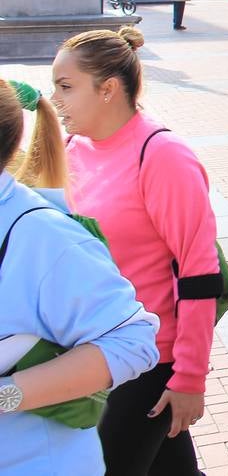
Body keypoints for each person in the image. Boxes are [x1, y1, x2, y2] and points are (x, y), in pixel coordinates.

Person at [56, 28, 224, 472]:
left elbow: (200, 274)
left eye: (66, 87)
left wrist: (189, 376)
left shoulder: (162, 154)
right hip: (93, 354)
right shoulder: (72, 148)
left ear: (108, 89)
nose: (55, 99)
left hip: (149, 360)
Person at [0, 79, 161, 475]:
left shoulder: (43, 235)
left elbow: (132, 340)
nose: (61, 98)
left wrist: (6, 396)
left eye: (68, 85)